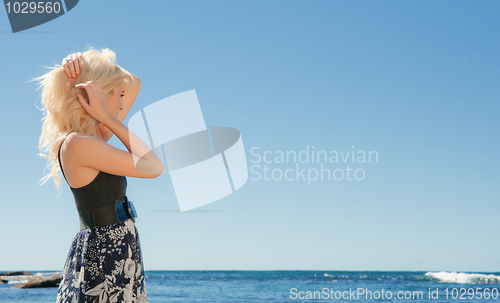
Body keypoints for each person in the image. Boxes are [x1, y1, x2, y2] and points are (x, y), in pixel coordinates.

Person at [36, 48, 164, 302]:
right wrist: (106, 115)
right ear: (100, 94)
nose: (121, 103)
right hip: (105, 256)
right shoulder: (78, 143)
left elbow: (134, 82)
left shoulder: (93, 138)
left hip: (119, 252)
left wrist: (81, 61)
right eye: (118, 95)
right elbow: (153, 166)